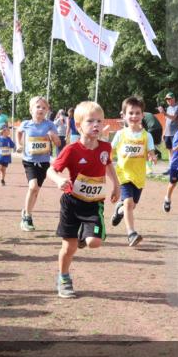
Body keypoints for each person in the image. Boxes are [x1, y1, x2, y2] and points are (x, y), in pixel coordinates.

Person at [47, 101, 121, 299]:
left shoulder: (105, 147)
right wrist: (58, 180)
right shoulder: (71, 150)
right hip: (71, 202)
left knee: (94, 242)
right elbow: (51, 169)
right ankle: (63, 277)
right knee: (68, 247)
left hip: (93, 204)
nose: (96, 125)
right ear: (78, 126)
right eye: (90, 121)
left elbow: (108, 165)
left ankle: (84, 235)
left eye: (99, 121)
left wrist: (117, 184)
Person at [110, 96, 156, 247]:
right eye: (131, 113)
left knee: (131, 205)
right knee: (129, 203)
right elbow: (110, 150)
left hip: (139, 176)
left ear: (143, 115)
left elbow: (150, 151)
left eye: (137, 113)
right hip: (123, 174)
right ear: (123, 116)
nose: (134, 116)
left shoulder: (146, 136)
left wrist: (152, 156)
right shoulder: (120, 134)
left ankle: (119, 210)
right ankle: (131, 233)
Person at [17, 96, 60, 232]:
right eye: (38, 107)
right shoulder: (26, 124)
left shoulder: (50, 125)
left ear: (47, 110)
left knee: (36, 190)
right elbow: (18, 132)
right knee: (33, 186)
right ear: (31, 109)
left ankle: (26, 210)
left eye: (44, 107)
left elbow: (58, 143)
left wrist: (53, 136)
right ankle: (27, 217)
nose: (41, 109)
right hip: (29, 161)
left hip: (44, 162)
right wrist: (19, 143)